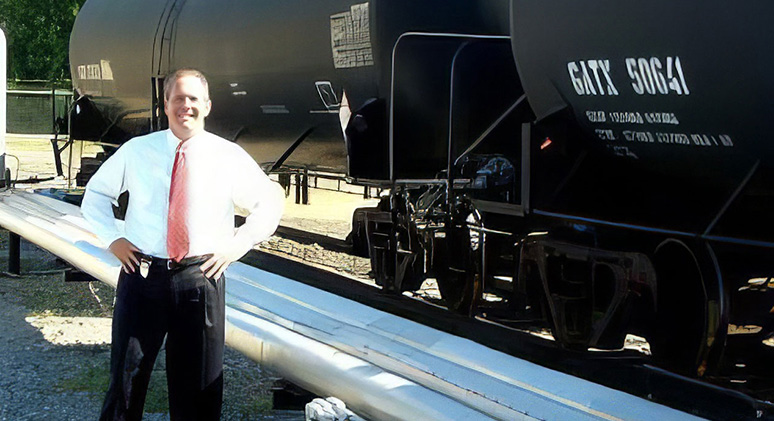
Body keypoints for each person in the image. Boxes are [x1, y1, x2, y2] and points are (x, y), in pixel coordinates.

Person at [81, 68, 284, 420]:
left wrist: (237, 246)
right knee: (125, 382)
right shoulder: (137, 151)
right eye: (178, 98)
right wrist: (113, 238)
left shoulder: (227, 156)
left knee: (199, 391)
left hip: (200, 281)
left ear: (207, 105)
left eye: (193, 99)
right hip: (143, 276)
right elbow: (96, 194)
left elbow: (270, 201)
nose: (185, 106)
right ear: (166, 104)